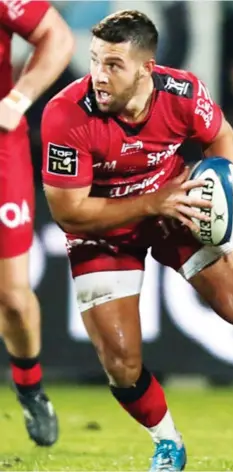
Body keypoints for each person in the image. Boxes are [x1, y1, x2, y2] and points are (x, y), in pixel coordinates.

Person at [41, 10, 233, 471]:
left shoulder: (182, 93)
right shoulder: (65, 114)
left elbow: (219, 134)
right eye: (96, 60)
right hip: (102, 231)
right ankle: (168, 443)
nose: (98, 76)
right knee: (120, 363)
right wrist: (150, 203)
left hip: (175, 205)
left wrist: (231, 190)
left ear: (146, 68)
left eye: (113, 65)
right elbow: (70, 213)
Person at [0, 0, 74, 446]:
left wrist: (19, 97)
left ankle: (30, 387)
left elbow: (58, 37)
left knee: (11, 296)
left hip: (1, 151)